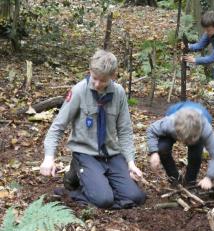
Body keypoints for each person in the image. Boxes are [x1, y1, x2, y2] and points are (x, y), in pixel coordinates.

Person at [40, 49, 146, 209]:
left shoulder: (119, 93)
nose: (96, 84)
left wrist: (131, 163)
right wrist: (49, 157)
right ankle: (76, 178)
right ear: (90, 71)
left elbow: (124, 131)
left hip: (111, 155)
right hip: (86, 154)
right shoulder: (79, 91)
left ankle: (99, 182)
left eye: (102, 81)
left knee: (136, 197)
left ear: (113, 76)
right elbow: (58, 127)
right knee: (103, 200)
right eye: (94, 78)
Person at [147, 101, 214, 190]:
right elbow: (151, 130)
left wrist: (209, 177)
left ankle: (190, 183)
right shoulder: (170, 123)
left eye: (189, 140)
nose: (186, 143)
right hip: (177, 118)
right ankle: (175, 179)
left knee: (195, 154)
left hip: (197, 127)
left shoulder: (205, 129)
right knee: (162, 148)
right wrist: (154, 152)